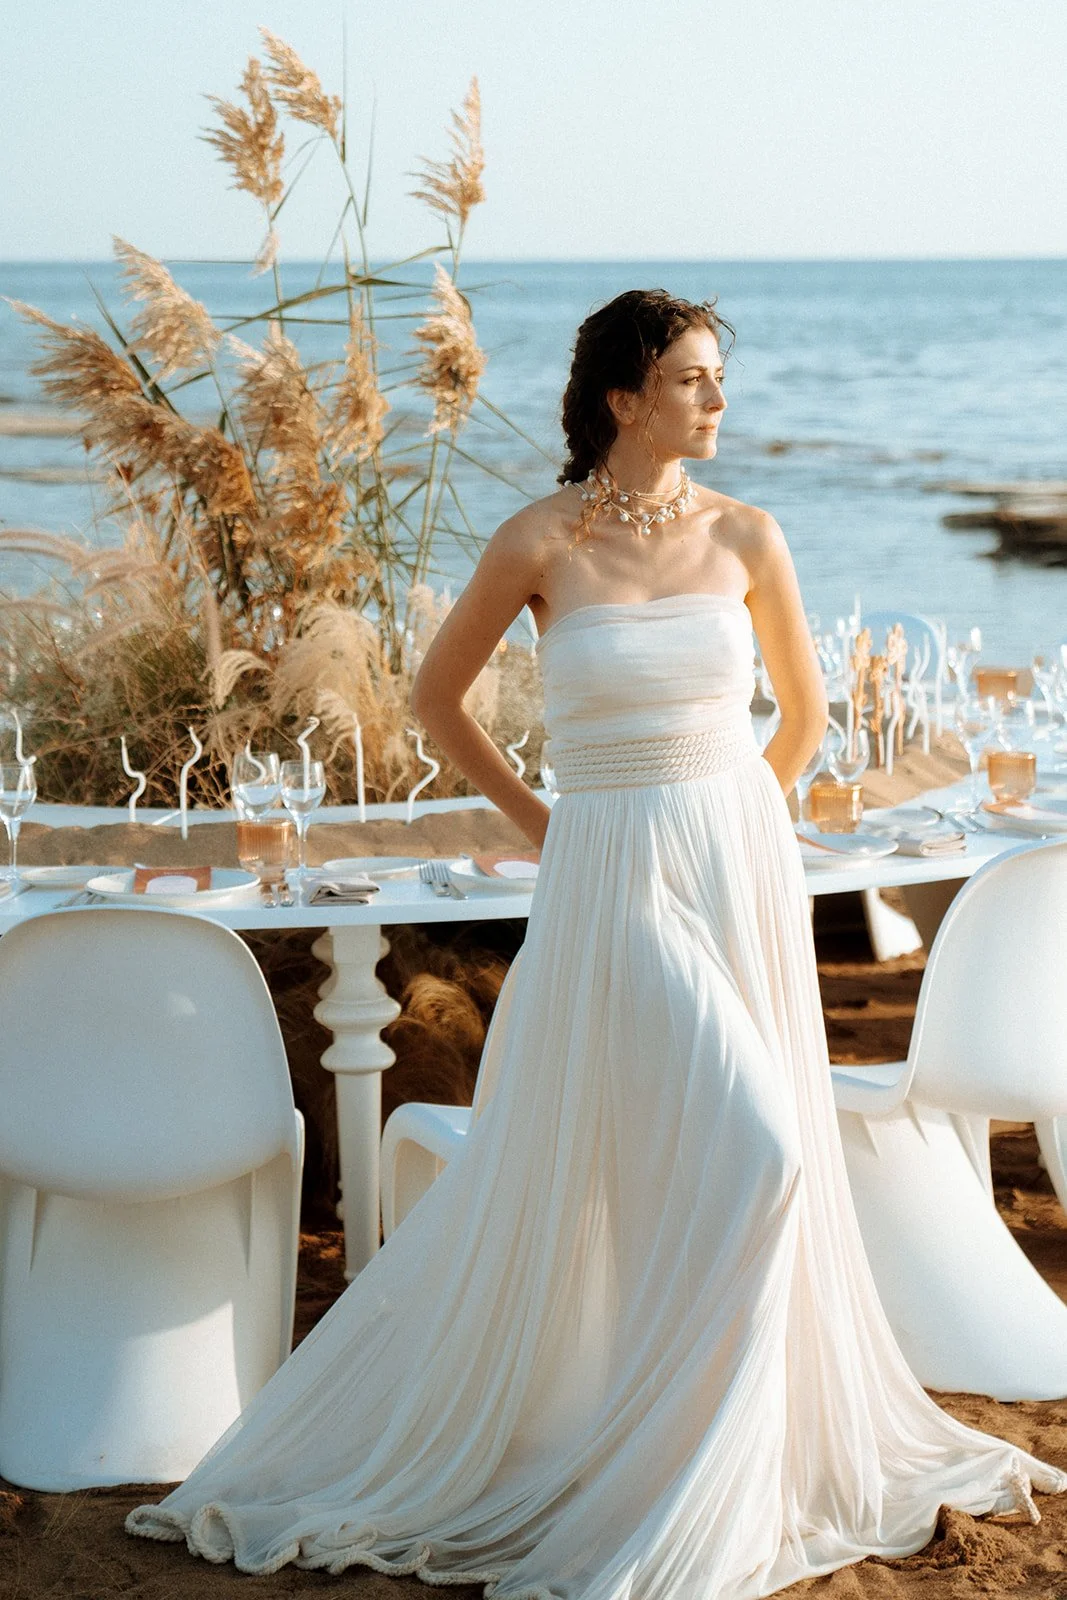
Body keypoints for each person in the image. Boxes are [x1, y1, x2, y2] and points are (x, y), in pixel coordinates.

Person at [127, 289, 1066, 1596]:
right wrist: (545, 824)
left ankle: (696, 1445)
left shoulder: (749, 535)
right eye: (691, 379)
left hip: (731, 865)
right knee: (756, 1151)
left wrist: (747, 817)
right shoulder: (538, 542)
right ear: (623, 399)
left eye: (717, 377)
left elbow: (793, 718)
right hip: (608, 870)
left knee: (720, 1151)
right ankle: (662, 1458)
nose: (718, 401)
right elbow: (434, 699)